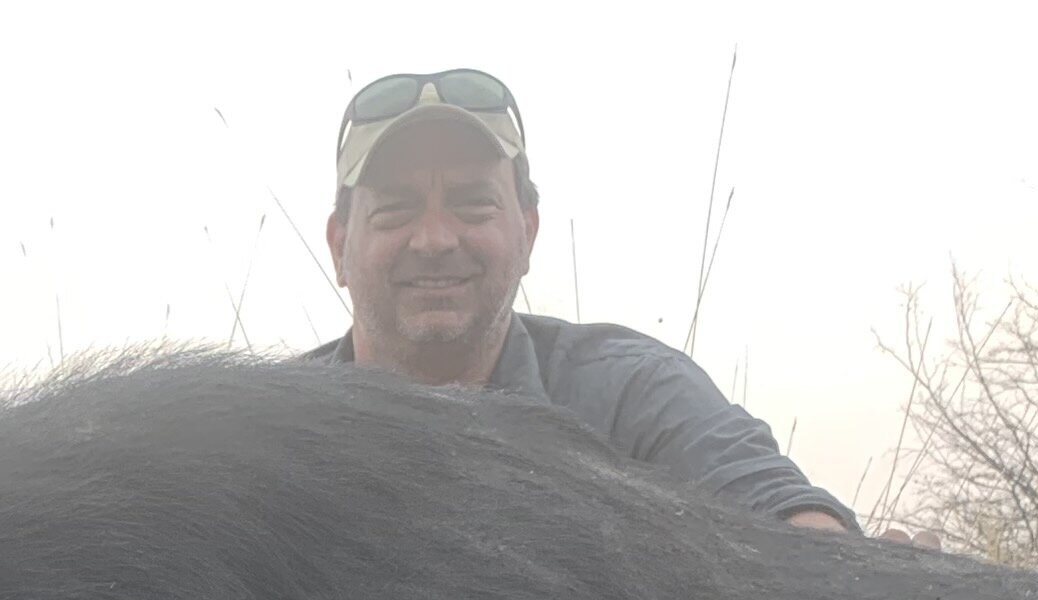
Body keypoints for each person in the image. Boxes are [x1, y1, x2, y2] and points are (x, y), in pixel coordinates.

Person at [312, 68, 860, 533]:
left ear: (527, 233)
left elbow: (792, 531)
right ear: (340, 247)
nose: (435, 239)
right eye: (395, 210)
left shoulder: (632, 393)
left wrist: (865, 581)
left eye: (473, 205)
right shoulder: (263, 438)